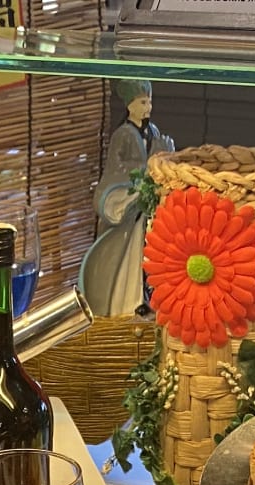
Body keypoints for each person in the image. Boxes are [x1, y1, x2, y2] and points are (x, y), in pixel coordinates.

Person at [86, 81, 174, 317]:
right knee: (125, 259)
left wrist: (165, 157)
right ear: (129, 106)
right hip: (126, 208)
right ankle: (123, 304)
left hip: (145, 209)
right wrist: (149, 163)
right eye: (143, 102)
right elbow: (117, 169)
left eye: (150, 102)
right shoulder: (123, 135)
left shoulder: (153, 131)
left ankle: (146, 299)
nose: (148, 107)